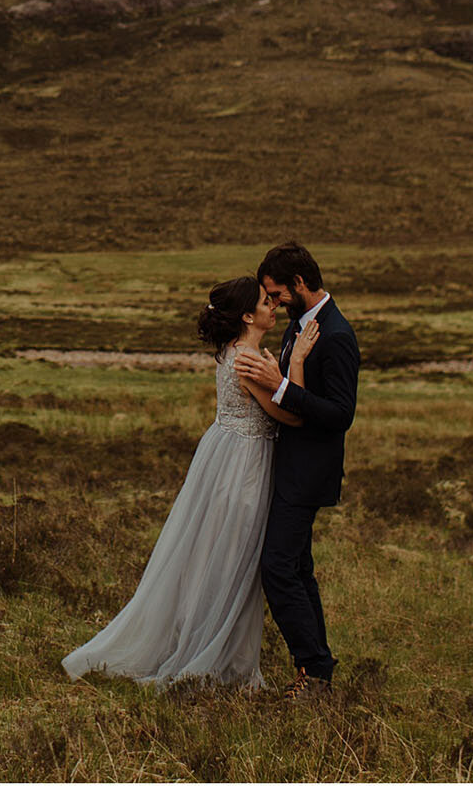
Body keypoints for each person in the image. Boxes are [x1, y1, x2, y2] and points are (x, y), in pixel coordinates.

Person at [62, 274, 320, 689]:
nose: (273, 305)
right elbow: (291, 415)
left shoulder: (234, 349)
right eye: (264, 302)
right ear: (246, 316)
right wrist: (298, 363)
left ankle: (215, 649)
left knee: (215, 556)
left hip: (225, 456)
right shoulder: (249, 359)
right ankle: (213, 657)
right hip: (244, 466)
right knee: (234, 560)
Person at [234, 242, 359, 699]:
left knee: (279, 568)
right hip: (286, 467)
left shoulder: (338, 335)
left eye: (277, 292)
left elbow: (341, 414)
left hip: (308, 473)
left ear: (300, 284)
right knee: (298, 568)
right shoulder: (299, 326)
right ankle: (319, 669)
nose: (274, 301)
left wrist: (281, 384)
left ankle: (314, 671)